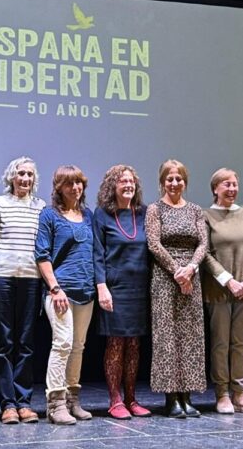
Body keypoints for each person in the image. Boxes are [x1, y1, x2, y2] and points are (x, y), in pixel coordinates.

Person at [145, 159, 207, 418]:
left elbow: (203, 243)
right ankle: (172, 398)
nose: (174, 183)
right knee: (167, 337)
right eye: (169, 179)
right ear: (162, 182)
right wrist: (177, 271)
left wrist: (190, 269)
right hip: (164, 277)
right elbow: (154, 244)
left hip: (191, 278)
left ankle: (187, 396)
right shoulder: (154, 209)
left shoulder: (195, 210)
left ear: (185, 182)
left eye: (178, 179)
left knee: (191, 336)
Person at [35, 165, 96, 425]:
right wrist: (54, 287)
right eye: (69, 183)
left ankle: (73, 400)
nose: (75, 188)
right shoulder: (49, 215)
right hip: (60, 291)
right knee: (62, 344)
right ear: (59, 187)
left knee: (78, 347)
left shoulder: (88, 215)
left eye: (79, 183)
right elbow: (42, 254)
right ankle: (55, 403)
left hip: (86, 291)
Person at [0, 156, 46, 424]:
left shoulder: (41, 207)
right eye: (20, 174)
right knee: (4, 342)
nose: (25, 179)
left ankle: (24, 402)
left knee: (26, 342)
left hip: (31, 278)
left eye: (30, 175)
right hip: (3, 277)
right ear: (11, 177)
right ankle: (8, 404)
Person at [202, 168, 243, 415]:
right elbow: (204, 253)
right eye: (226, 184)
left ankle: (240, 393)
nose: (232, 189)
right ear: (215, 188)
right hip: (219, 290)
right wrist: (229, 281)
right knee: (220, 343)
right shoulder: (206, 215)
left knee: (241, 342)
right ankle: (223, 394)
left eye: (235, 184)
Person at [93, 165, 152, 419]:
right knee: (116, 344)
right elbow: (96, 254)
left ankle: (131, 398)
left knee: (135, 345)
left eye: (131, 181)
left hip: (140, 288)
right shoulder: (102, 214)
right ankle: (115, 399)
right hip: (114, 289)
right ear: (112, 186)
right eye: (122, 181)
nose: (128, 185)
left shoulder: (145, 213)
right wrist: (101, 286)